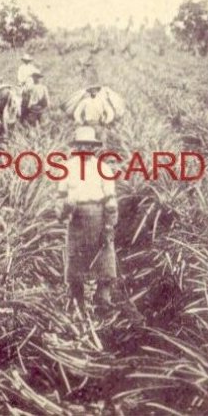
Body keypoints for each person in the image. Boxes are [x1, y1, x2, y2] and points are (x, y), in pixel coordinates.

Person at [55, 126, 119, 314]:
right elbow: (60, 196)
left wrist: (109, 225)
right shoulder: (67, 167)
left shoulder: (103, 168)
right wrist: (62, 211)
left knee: (104, 258)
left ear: (93, 147)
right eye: (81, 145)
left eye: (88, 145)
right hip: (76, 219)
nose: (84, 148)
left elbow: (110, 199)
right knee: (75, 260)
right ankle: (77, 301)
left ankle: (103, 300)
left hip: (98, 215)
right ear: (76, 146)